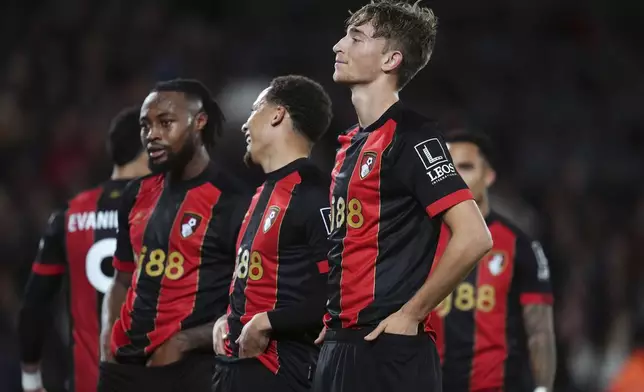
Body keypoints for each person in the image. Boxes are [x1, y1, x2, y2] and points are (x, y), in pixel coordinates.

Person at [313, 2, 493, 392]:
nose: (338, 45)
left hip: (389, 349)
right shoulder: (349, 144)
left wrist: (413, 313)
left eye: (356, 37)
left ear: (391, 59)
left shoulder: (413, 135)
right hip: (342, 344)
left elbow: (475, 235)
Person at [98, 79, 249, 392]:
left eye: (165, 123)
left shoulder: (234, 201)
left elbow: (251, 302)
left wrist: (185, 341)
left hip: (190, 369)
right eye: (146, 125)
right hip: (124, 367)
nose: (152, 134)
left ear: (200, 122)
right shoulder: (136, 194)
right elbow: (122, 279)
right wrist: (107, 346)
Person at [211, 75, 333, 392]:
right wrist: (229, 318)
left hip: (281, 372)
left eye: (255, 110)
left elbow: (340, 293)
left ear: (277, 114)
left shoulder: (314, 196)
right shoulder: (262, 193)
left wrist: (267, 321)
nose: (245, 125)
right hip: (236, 368)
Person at [18, 107, 150, 392]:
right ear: (147, 151)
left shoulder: (67, 216)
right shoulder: (166, 212)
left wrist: (31, 378)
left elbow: (34, 305)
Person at [430, 130, 556, 392]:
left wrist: (543, 388)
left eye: (466, 167)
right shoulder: (419, 240)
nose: (455, 177)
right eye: (448, 168)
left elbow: (539, 329)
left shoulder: (520, 245)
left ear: (488, 176)